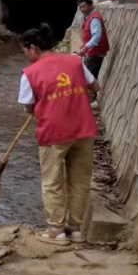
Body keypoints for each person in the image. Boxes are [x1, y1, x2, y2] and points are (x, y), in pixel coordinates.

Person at [19, 23, 101, 246]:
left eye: (24, 51)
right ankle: (76, 230)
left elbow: (28, 108)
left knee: (52, 181)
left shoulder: (30, 73)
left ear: (32, 47)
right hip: (83, 129)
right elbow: (96, 86)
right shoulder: (74, 62)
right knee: (80, 180)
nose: (25, 56)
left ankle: (56, 231)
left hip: (54, 133)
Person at [77, 0, 110, 79]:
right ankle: (90, 91)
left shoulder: (94, 19)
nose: (82, 9)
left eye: (84, 6)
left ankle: (90, 92)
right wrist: (84, 45)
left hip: (95, 53)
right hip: (91, 52)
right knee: (89, 77)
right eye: (80, 7)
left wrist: (85, 48)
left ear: (91, 5)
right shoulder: (89, 18)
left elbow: (96, 36)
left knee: (88, 78)